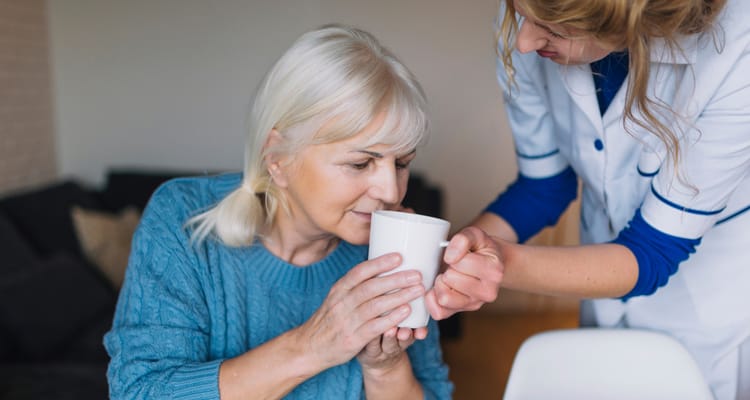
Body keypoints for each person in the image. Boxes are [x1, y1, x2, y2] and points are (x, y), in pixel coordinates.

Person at [104, 24, 453, 400]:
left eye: (401, 163)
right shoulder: (182, 218)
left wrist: (384, 367)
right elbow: (139, 391)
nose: (390, 191)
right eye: (360, 164)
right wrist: (313, 346)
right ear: (278, 159)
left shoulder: (394, 252)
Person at [425, 0, 750, 398]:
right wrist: (454, 257)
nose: (524, 41)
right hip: (604, 301)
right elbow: (544, 187)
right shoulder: (527, 18)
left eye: (555, 28)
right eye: (519, 13)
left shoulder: (737, 48)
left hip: (709, 312)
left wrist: (499, 264)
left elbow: (652, 251)